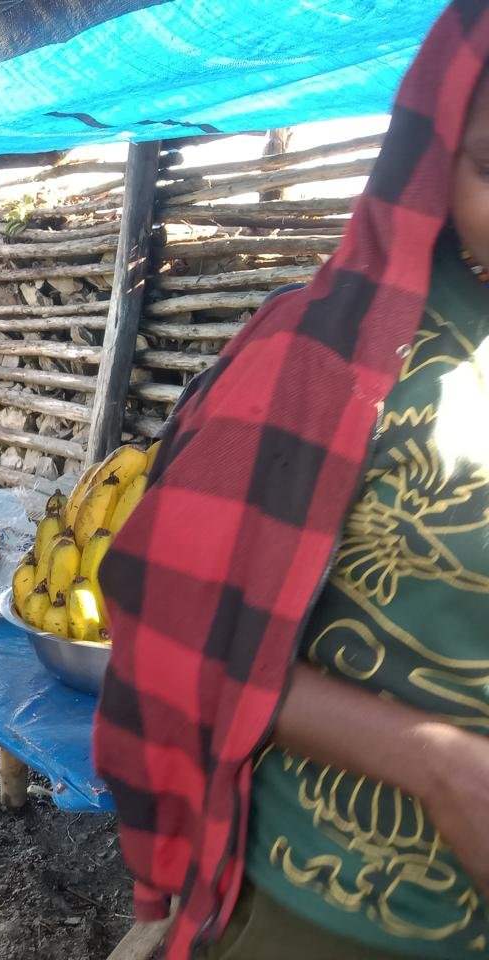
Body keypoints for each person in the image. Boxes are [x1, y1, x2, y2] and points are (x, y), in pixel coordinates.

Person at [93, 3, 489, 958]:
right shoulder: (334, 356)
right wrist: (438, 768)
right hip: (330, 916)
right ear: (436, 160)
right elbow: (176, 629)